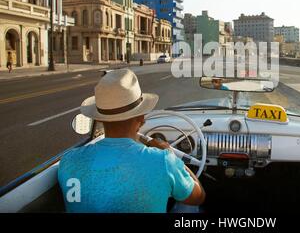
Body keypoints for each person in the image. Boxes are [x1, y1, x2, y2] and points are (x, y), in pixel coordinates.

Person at [58, 68, 205, 213]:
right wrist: (170, 153)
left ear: (98, 118)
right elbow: (198, 197)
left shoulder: (68, 161)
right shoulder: (163, 160)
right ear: (141, 119)